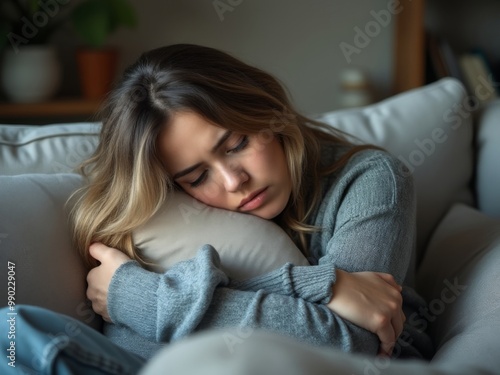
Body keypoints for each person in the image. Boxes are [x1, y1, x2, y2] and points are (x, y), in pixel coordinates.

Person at [0, 44, 433, 374]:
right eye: (196, 177)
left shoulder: (372, 179)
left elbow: (351, 340)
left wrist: (141, 298)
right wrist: (327, 287)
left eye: (237, 144)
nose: (232, 182)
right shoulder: (168, 208)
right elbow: (119, 335)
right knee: (12, 330)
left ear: (267, 111)